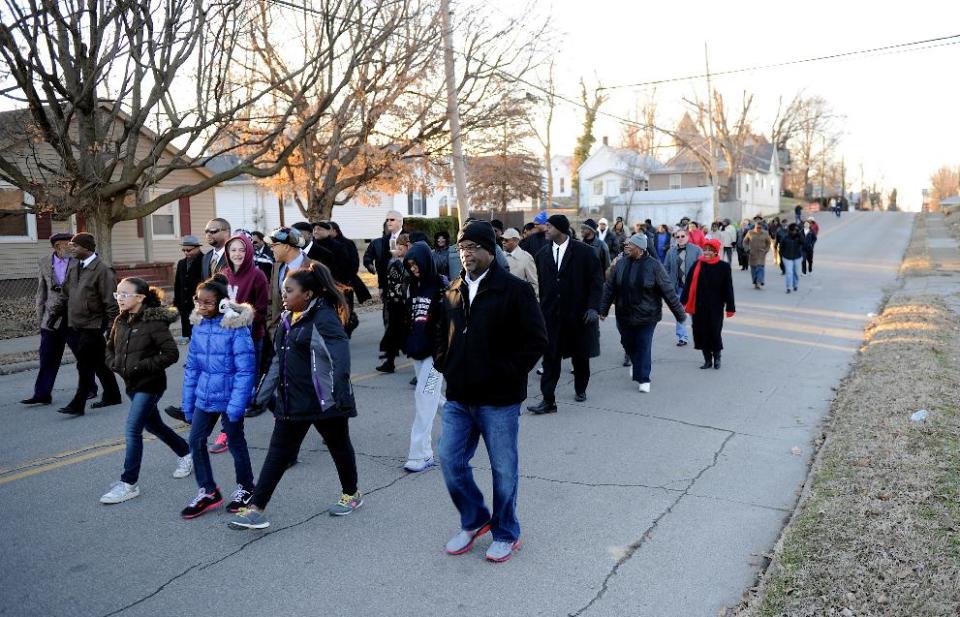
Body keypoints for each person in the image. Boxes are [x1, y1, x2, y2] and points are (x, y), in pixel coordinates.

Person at [434, 221, 547, 562]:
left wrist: (506, 373)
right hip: (459, 397)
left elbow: (536, 340)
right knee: (450, 460)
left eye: (473, 248)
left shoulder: (514, 290)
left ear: (490, 250)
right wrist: (446, 364)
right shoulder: (452, 291)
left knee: (503, 469)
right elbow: (442, 335)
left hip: (499, 399)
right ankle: (474, 519)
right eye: (462, 248)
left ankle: (506, 532)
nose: (466, 255)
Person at [228, 264, 362, 530]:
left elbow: (340, 358)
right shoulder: (289, 318)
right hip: (292, 400)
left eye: (289, 291)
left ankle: (352, 494)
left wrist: (337, 396)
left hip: (325, 401)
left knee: (338, 446)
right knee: (277, 453)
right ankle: (256, 509)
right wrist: (261, 396)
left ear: (309, 294)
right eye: (282, 290)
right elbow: (277, 360)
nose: (284, 295)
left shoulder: (324, 317)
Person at [99, 278, 192, 504]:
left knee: (133, 430)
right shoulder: (121, 320)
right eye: (117, 294)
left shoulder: (154, 323)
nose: (119, 297)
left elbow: (171, 354)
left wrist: (139, 366)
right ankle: (188, 453)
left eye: (125, 294)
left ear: (140, 297)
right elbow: (109, 348)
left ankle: (129, 483)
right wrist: (115, 365)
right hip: (131, 384)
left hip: (150, 384)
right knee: (155, 425)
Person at [180, 274, 257, 519]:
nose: (202, 307)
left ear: (224, 303)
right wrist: (188, 402)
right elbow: (192, 368)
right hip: (205, 396)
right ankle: (208, 490)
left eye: (208, 303)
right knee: (195, 440)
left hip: (230, 397)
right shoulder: (199, 326)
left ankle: (246, 487)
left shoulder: (237, 328)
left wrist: (236, 405)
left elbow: (246, 370)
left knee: (235, 442)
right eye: (198, 302)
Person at [528, 215, 603, 413]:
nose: (546, 229)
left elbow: (596, 282)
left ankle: (580, 388)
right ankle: (548, 401)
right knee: (550, 359)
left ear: (560, 229)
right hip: (551, 317)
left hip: (578, 316)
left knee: (580, 357)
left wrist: (593, 307)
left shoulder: (585, 252)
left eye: (549, 226)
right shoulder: (542, 254)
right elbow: (543, 287)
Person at [205, 233, 270, 453]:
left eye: (242, 250)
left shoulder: (258, 276)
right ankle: (228, 433)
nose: (237, 254)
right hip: (226, 342)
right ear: (227, 252)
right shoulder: (222, 274)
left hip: (251, 340)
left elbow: (262, 311)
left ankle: (283, 412)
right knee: (230, 388)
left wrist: (240, 320)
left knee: (246, 390)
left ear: (249, 251)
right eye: (233, 250)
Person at [600, 234, 685, 393]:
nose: (626, 247)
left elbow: (668, 291)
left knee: (644, 345)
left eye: (629, 245)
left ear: (639, 249)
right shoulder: (620, 264)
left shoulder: (654, 266)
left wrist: (679, 314)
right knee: (628, 343)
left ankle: (644, 378)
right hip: (623, 314)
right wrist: (603, 310)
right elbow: (610, 288)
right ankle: (636, 363)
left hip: (647, 316)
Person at [51, 233, 122, 416]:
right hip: (78, 323)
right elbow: (65, 295)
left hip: (94, 324)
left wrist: (111, 328)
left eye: (74, 246)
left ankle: (77, 404)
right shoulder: (75, 267)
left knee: (83, 364)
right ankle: (113, 395)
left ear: (87, 249)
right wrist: (54, 315)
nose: (71, 248)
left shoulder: (103, 270)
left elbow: (111, 302)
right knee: (99, 363)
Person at [22, 232, 91, 406]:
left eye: (72, 244)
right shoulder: (45, 262)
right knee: (47, 357)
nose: (70, 247)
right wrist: (41, 318)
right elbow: (41, 291)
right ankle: (42, 394)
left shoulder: (80, 262)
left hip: (74, 317)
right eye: (67, 244)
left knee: (82, 355)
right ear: (57, 246)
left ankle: (90, 388)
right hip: (51, 319)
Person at [398, 241, 446, 473]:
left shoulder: (442, 285)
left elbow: (449, 323)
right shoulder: (411, 286)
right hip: (417, 351)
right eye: (410, 264)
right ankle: (467, 422)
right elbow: (407, 318)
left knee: (424, 398)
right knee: (434, 399)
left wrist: (443, 352)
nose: (414, 268)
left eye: (416, 264)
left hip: (435, 356)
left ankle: (420, 455)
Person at [680, 239, 735, 370]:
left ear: (716, 252)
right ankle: (707, 360)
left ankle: (717, 357)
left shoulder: (724, 267)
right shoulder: (697, 264)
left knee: (714, 332)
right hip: (698, 305)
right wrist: (683, 301)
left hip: (716, 306)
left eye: (710, 250)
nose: (707, 252)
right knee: (701, 332)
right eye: (705, 249)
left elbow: (728, 288)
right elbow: (688, 284)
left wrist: (730, 307)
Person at [377, 233, 410, 373]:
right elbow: (388, 280)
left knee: (407, 333)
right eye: (397, 246)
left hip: (406, 302)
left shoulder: (411, 262)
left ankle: (422, 365)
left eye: (401, 246)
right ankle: (389, 362)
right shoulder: (392, 262)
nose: (398, 249)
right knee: (392, 331)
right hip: (393, 301)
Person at [664, 228, 702, 347]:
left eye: (682, 236)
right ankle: (682, 337)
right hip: (678, 287)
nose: (680, 239)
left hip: (693, 288)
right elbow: (666, 268)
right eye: (677, 237)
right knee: (680, 312)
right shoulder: (671, 252)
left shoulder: (696, 250)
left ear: (687, 237)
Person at [363, 211, 404, 296]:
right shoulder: (378, 242)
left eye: (392, 220)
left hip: (405, 283)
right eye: (387, 221)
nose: (389, 223)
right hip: (386, 284)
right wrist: (369, 265)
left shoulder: (409, 238)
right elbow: (369, 258)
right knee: (387, 307)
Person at [173, 235, 203, 339]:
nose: (186, 253)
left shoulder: (204, 261)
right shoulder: (181, 263)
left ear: (197, 248)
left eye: (189, 250)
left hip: (198, 303)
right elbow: (177, 284)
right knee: (186, 332)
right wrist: (176, 302)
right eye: (184, 250)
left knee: (198, 333)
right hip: (184, 303)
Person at [501, 228, 538, 297]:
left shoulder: (526, 258)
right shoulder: (500, 257)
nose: (503, 242)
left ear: (516, 241)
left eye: (506, 240)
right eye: (502, 239)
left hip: (519, 301)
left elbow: (533, 284)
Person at [744, 222, 771, 289]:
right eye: (757, 227)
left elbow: (768, 243)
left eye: (760, 227)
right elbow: (745, 241)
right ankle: (755, 282)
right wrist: (747, 249)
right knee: (753, 269)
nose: (759, 229)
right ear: (755, 227)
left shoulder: (765, 233)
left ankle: (760, 281)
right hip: (752, 254)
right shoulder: (750, 232)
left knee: (760, 267)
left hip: (761, 254)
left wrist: (766, 250)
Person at [779, 223, 804, 293]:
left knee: (796, 272)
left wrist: (799, 234)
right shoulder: (785, 238)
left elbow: (804, 243)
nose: (794, 232)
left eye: (795, 230)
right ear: (789, 230)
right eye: (792, 230)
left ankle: (795, 285)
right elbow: (781, 248)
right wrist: (781, 257)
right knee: (789, 272)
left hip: (797, 257)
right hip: (787, 257)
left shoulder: (799, 237)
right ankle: (788, 287)